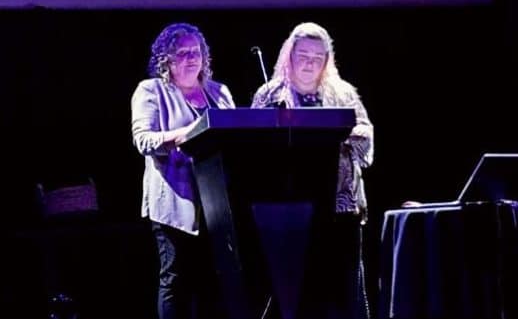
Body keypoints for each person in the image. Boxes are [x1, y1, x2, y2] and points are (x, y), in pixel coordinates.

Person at [251, 22, 374, 319]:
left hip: (340, 207)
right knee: (295, 293)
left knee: (346, 292)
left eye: (317, 58)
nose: (309, 63)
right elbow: (251, 142)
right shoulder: (270, 94)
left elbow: (365, 133)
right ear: (289, 56)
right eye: (303, 55)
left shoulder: (343, 93)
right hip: (288, 211)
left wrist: (329, 132)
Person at [131, 23, 235, 319]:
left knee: (215, 282)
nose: (191, 58)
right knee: (176, 280)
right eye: (182, 53)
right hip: (175, 202)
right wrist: (187, 133)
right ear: (167, 60)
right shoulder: (151, 91)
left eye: (196, 52)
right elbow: (144, 140)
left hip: (218, 202)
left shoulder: (219, 92)